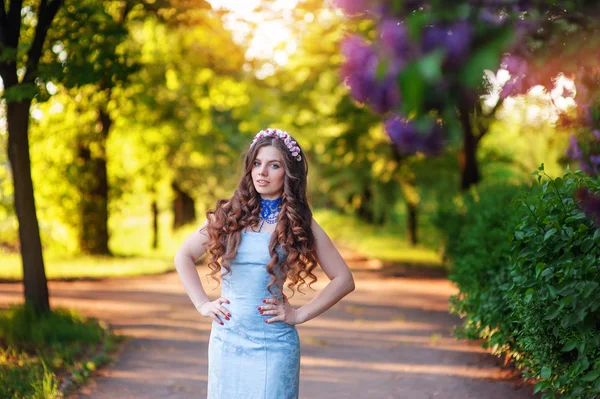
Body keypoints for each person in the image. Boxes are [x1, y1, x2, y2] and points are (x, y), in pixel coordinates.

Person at [173, 128, 356, 399]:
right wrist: (202, 303)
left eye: (274, 165)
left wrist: (298, 315)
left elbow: (344, 279)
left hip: (275, 344)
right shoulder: (229, 215)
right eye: (257, 163)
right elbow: (183, 256)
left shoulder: (298, 221)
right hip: (227, 342)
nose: (262, 172)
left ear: (288, 173)